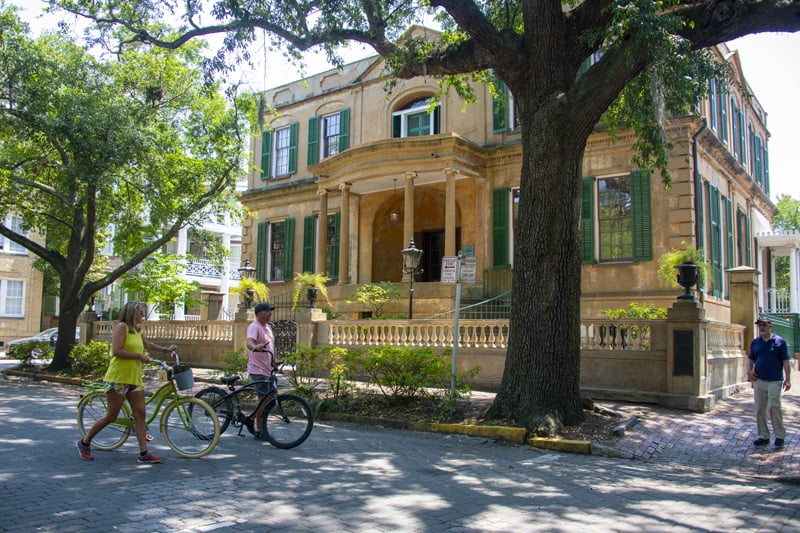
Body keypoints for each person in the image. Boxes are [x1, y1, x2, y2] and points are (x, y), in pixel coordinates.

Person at [76, 301, 177, 462]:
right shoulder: (121, 327)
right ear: (131, 313)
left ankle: (144, 453)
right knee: (111, 416)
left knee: (140, 414)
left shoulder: (136, 330)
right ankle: (85, 442)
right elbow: (117, 351)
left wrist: (165, 350)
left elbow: (147, 344)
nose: (142, 315)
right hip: (119, 378)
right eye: (140, 313)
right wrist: (138, 356)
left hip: (134, 378)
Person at [747, 316, 791, 448]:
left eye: (764, 325)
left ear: (770, 326)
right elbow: (750, 359)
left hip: (775, 380)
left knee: (774, 407)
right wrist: (749, 372)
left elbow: (786, 361)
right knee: (760, 408)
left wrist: (788, 379)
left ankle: (779, 435)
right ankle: (763, 435)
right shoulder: (755, 342)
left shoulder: (779, 342)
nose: (762, 327)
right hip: (759, 379)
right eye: (760, 325)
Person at [245, 302, 278, 438]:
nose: (270, 313)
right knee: (263, 399)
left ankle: (251, 419)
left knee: (271, 399)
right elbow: (249, 342)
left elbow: (270, 346)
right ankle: (259, 430)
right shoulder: (254, 326)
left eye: (270, 311)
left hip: (268, 368)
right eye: (267, 311)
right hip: (257, 368)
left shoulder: (268, 327)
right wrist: (255, 346)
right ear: (260, 314)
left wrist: (274, 361)